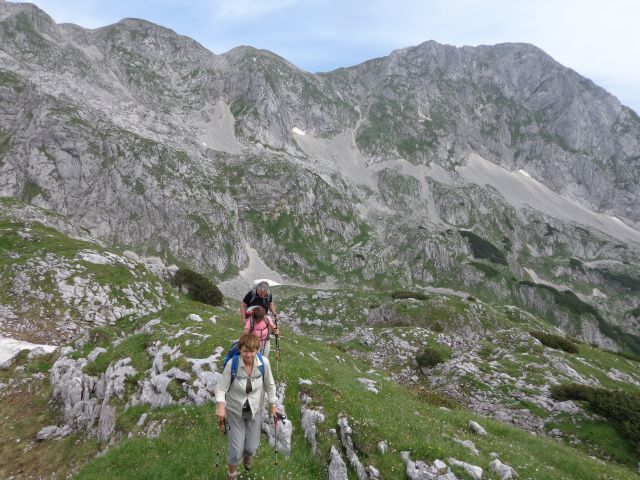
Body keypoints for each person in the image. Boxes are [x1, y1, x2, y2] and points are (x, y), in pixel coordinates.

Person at [215, 333, 280, 479]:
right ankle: (232, 474)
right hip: (235, 411)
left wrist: (273, 405)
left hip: (255, 410)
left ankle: (248, 457)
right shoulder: (233, 363)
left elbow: (270, 385)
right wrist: (220, 405)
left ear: (257, 350)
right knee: (236, 449)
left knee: (251, 447)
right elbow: (221, 388)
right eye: (245, 351)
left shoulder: (264, 363)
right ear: (240, 350)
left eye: (252, 351)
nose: (249, 355)